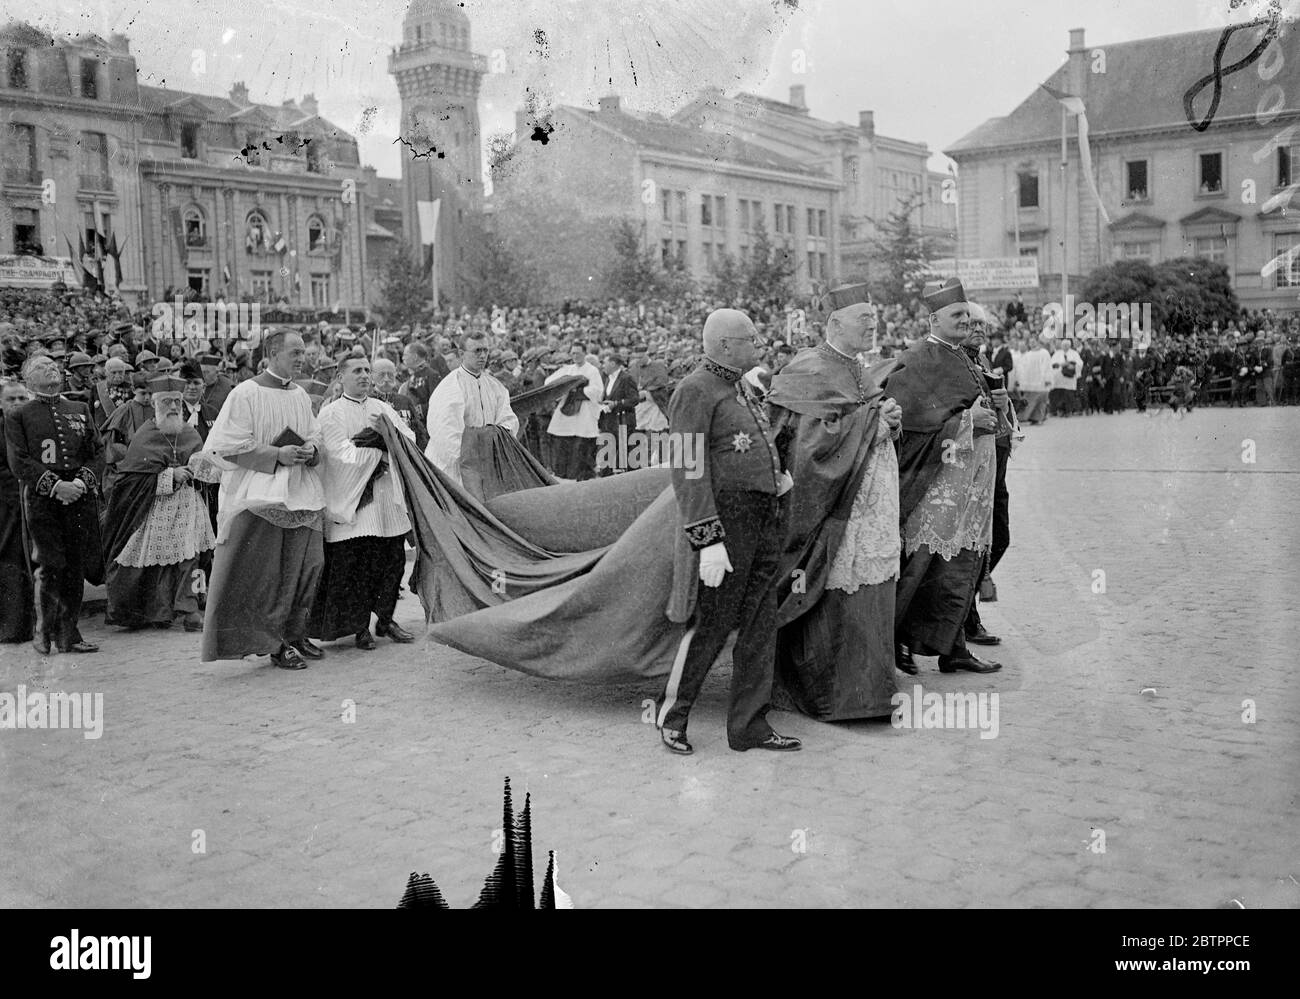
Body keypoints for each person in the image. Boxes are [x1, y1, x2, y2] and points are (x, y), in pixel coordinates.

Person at [656, 308, 801, 755]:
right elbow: (687, 469)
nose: (758, 345)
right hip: (726, 524)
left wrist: (774, 479)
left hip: (762, 518)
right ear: (724, 345)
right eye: (751, 339)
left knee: (760, 624)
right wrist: (708, 540)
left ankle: (749, 725)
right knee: (713, 625)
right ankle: (674, 716)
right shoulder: (695, 390)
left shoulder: (741, 385)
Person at [767, 295, 904, 720]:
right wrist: (871, 424)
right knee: (836, 585)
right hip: (831, 502)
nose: (872, 325)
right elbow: (808, 445)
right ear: (834, 323)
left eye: (874, 317)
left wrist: (889, 419)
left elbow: (862, 419)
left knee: (870, 584)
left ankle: (871, 691)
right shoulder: (809, 368)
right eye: (863, 318)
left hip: (868, 502)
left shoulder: (859, 368)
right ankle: (835, 694)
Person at [887, 278, 1003, 676]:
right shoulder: (917, 359)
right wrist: (967, 421)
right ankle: (898, 642)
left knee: (963, 564)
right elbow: (910, 424)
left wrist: (993, 411)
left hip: (971, 482)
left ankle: (953, 648)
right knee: (922, 565)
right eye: (957, 315)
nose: (966, 322)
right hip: (936, 482)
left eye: (968, 316)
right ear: (933, 319)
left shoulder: (965, 356)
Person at [198, 329, 326, 671]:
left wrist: (311, 451)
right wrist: (275, 454)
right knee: (273, 573)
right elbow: (224, 447)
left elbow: (314, 435)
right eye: (294, 353)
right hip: (261, 491)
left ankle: (296, 632)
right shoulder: (246, 393)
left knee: (308, 565)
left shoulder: (300, 393)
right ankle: (275, 642)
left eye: (303, 353)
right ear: (272, 355)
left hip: (302, 491)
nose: (302, 358)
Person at [308, 357, 417, 649]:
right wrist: (380, 452)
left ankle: (385, 619)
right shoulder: (331, 414)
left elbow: (408, 439)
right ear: (340, 376)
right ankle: (359, 627)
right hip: (354, 502)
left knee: (392, 562)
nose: (365, 376)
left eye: (367, 370)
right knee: (357, 567)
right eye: (357, 371)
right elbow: (341, 453)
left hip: (385, 499)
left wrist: (384, 444)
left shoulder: (383, 409)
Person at [4, 353, 103, 654]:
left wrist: (80, 483)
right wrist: (56, 485)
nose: (50, 368)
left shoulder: (80, 408)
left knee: (74, 565)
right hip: (43, 501)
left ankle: (69, 635)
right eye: (40, 366)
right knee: (50, 565)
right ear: (28, 380)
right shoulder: (19, 415)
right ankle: (43, 633)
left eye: (52, 365)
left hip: (78, 498)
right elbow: (19, 461)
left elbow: (97, 452)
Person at [102, 375, 216, 632]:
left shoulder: (189, 432)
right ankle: (159, 610)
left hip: (188, 501)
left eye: (176, 401)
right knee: (160, 559)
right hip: (153, 507)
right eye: (167, 402)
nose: (174, 407)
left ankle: (189, 610)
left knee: (192, 554)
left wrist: (201, 468)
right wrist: (168, 476)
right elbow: (132, 479)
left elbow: (205, 467)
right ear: (155, 405)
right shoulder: (145, 435)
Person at [423, 330, 519, 487]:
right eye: (477, 351)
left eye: (485, 350)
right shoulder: (450, 387)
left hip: (487, 462)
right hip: (454, 468)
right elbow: (444, 431)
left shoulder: (495, 386)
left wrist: (494, 444)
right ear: (462, 353)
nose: (482, 356)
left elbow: (508, 419)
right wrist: (471, 456)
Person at [0, 378, 34, 643]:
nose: (17, 403)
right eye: (11, 399)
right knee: (10, 561)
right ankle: (13, 628)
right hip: (7, 506)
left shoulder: (34, 427)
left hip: (34, 502)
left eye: (22, 398)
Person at [544, 343, 603, 480]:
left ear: (584, 354)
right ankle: (563, 475)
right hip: (567, 410)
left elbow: (598, 391)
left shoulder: (592, 370)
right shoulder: (567, 369)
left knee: (582, 446)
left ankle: (582, 476)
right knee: (563, 444)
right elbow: (549, 382)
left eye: (578, 353)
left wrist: (580, 390)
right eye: (573, 353)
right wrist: (565, 385)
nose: (575, 356)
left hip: (585, 410)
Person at [371, 357, 428, 451]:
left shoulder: (405, 401)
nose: (386, 379)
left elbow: (419, 433)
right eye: (381, 374)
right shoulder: (368, 401)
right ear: (372, 377)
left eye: (390, 374)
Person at [596, 351, 639, 475]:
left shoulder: (626, 378)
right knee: (607, 452)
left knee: (623, 455)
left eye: (605, 363)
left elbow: (634, 399)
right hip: (608, 421)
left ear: (613, 364)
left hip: (623, 421)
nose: (603, 366)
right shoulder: (607, 378)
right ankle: (606, 480)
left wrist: (615, 404)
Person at [1017, 334, 1053, 424]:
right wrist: (1021, 381)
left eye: (1033, 342)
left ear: (1038, 341)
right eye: (1030, 342)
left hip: (1041, 381)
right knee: (1029, 401)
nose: (1032, 344)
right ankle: (1027, 417)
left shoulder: (1044, 353)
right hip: (1030, 382)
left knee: (1040, 401)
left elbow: (1047, 366)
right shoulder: (1028, 354)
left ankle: (1038, 418)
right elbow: (1023, 369)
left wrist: (1047, 379)